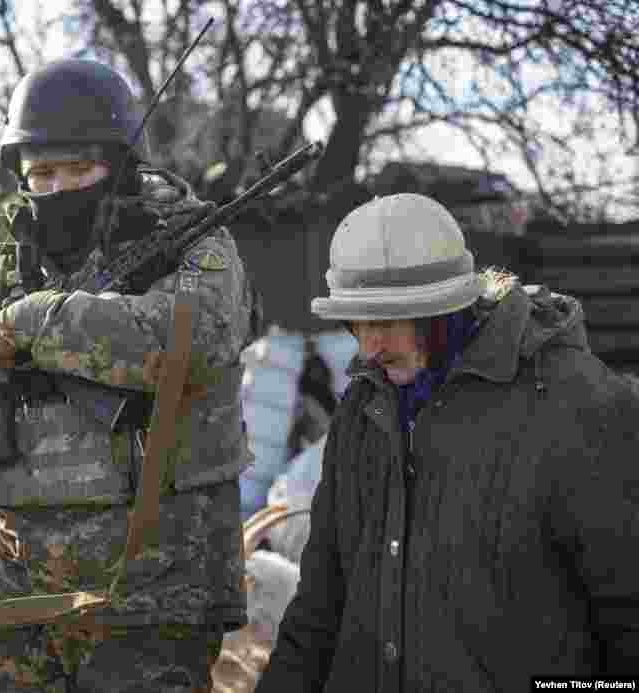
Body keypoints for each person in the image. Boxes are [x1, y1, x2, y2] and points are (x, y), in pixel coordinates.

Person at [0, 58, 257, 692]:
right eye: (42, 174)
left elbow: (190, 341)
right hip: (17, 565)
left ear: (120, 165)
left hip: (158, 580)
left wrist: (34, 324)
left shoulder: (195, 243)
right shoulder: (7, 271)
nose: (59, 188)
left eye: (78, 169)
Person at [255, 193, 639, 691]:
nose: (369, 347)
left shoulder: (575, 407)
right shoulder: (364, 409)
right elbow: (318, 612)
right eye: (357, 323)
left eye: (386, 321)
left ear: (445, 310)